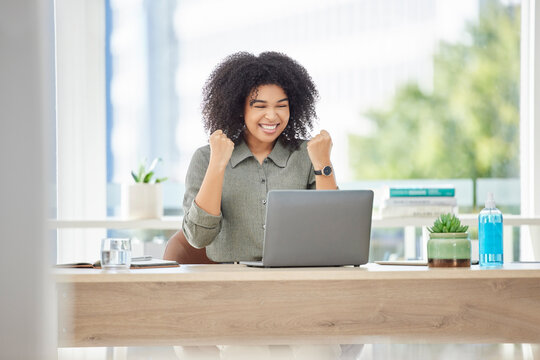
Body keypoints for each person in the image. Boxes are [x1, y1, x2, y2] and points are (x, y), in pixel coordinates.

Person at [182, 51, 338, 263]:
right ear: (239, 108)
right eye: (260, 106)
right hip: (229, 281)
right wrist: (217, 165)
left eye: (281, 106)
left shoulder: (309, 155)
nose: (272, 116)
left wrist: (323, 165)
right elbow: (198, 238)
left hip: (295, 277)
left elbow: (331, 233)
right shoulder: (205, 157)